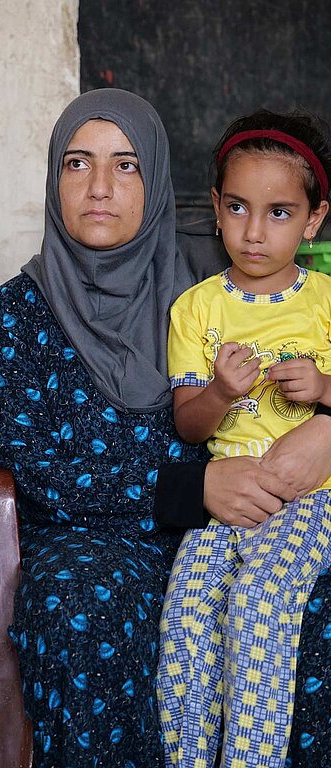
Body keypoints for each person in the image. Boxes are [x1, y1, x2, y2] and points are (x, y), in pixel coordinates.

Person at [0, 88, 331, 768]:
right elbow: (35, 467)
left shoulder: (219, 285)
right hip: (94, 540)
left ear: (158, 178)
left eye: (126, 165)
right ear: (54, 178)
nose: (100, 187)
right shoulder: (11, 317)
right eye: (78, 164)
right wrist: (192, 489)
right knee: (83, 602)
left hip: (254, 521)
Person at [157, 110, 331, 768]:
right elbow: (188, 422)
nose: (254, 232)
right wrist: (222, 394)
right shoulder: (196, 308)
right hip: (227, 500)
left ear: (314, 220)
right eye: (237, 208)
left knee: (260, 601)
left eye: (280, 213)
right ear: (215, 207)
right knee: (189, 613)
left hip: (314, 497)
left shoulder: (326, 301)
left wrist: (322, 386)